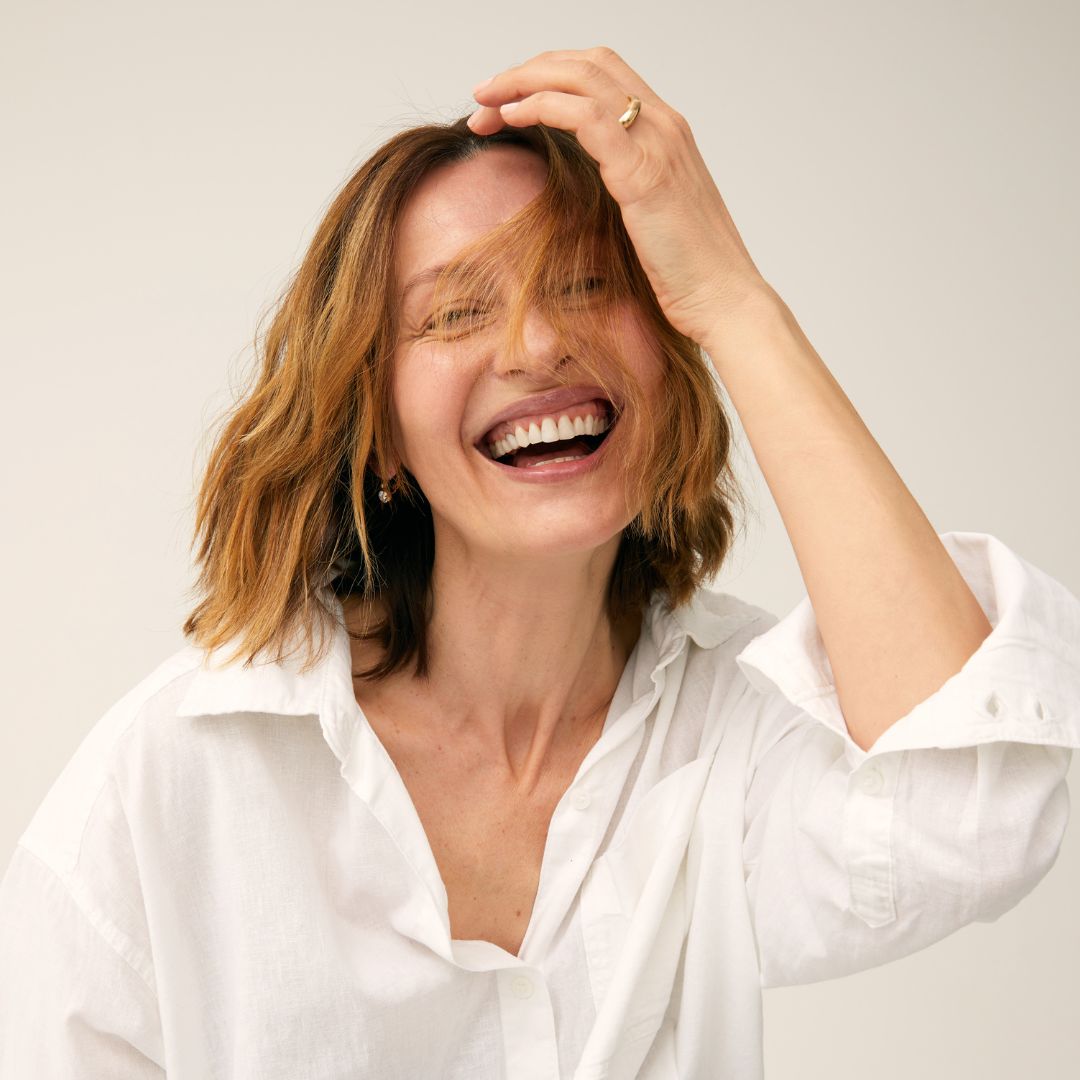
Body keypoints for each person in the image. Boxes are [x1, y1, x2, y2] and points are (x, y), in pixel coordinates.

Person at [1, 46, 1077, 1079]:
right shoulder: (176, 776)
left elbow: (976, 812)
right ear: (374, 426)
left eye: (584, 283)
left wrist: (736, 300)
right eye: (458, 310)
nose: (534, 346)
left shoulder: (733, 729)